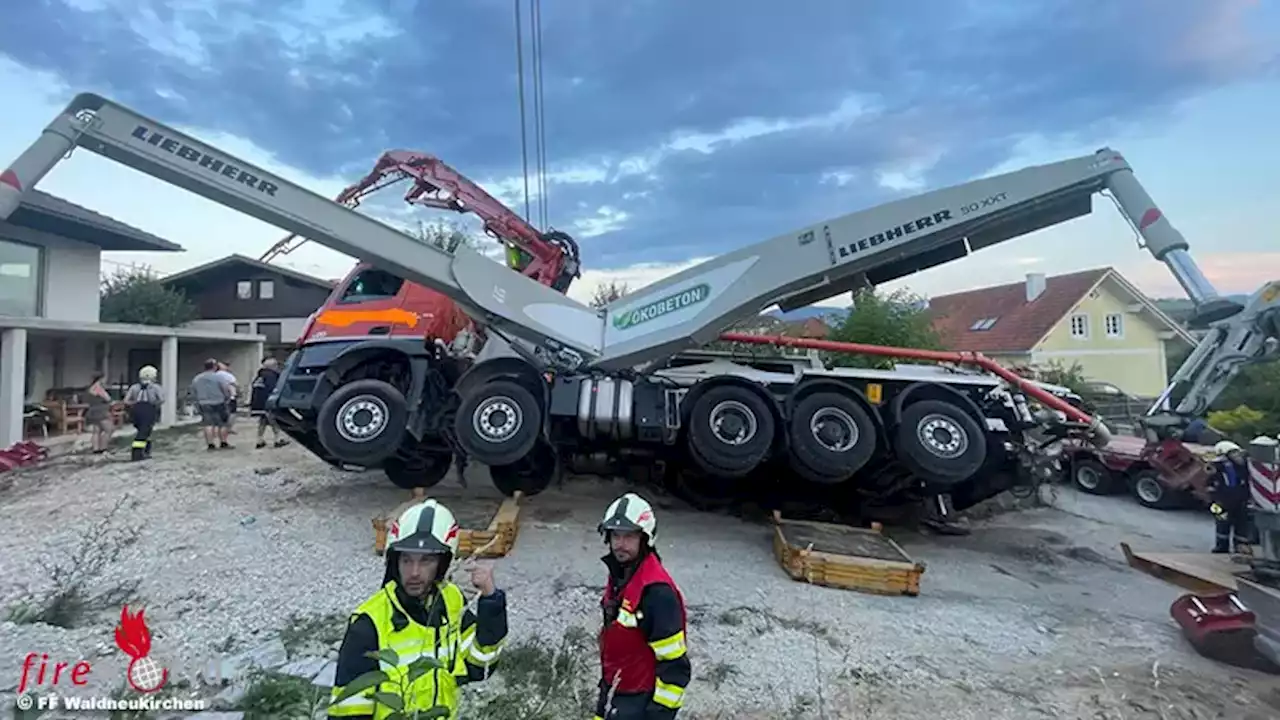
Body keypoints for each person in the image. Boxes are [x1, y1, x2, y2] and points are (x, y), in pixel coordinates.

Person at [329, 499, 508, 719]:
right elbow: (348, 711)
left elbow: (480, 666)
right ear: (395, 562)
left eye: (426, 561)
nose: (414, 572)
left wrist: (491, 603)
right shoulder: (369, 624)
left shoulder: (452, 601)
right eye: (406, 560)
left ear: (442, 564)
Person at [594, 492, 691, 720]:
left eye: (629, 537)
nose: (620, 544)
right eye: (616, 536)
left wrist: (659, 715)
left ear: (645, 539)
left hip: (638, 702)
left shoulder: (656, 592)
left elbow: (675, 667)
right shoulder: (622, 576)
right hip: (615, 692)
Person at [1208, 440, 1256, 554]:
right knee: (1222, 524)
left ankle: (1238, 547)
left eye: (1237, 453)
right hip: (1221, 501)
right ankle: (1221, 547)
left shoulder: (1245, 466)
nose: (1237, 456)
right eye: (1233, 453)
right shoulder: (1220, 467)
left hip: (1239, 501)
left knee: (1241, 525)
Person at [123, 366, 164, 461]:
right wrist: (154, 405)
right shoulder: (156, 387)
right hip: (149, 410)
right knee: (144, 432)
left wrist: (134, 404)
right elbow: (161, 400)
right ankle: (137, 452)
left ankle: (145, 451)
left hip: (136, 410)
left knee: (143, 431)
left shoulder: (134, 387)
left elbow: (126, 401)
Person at [192, 359, 233, 450]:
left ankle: (210, 444)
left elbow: (193, 391)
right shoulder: (218, 377)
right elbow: (225, 388)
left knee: (208, 424)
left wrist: (197, 401)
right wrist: (227, 397)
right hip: (219, 401)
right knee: (223, 424)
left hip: (203, 403)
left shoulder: (197, 378)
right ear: (214, 366)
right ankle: (223, 442)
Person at [249, 358, 287, 449]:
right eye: (276, 365)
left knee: (263, 421)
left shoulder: (260, 375)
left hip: (257, 403)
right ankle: (278, 439)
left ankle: (259, 440)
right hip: (267, 402)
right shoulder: (271, 376)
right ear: (273, 366)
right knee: (273, 420)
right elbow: (273, 388)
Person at [84, 372, 114, 454]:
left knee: (96, 431)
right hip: (101, 411)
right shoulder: (98, 388)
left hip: (92, 411)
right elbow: (107, 398)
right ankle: (103, 448)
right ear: (101, 379)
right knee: (109, 430)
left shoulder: (90, 388)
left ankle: (96, 449)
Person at [216, 361, 239, 433]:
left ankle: (220, 427)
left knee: (220, 413)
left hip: (219, 397)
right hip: (231, 396)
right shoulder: (228, 375)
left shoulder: (214, 375)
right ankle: (229, 428)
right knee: (232, 413)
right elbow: (236, 384)